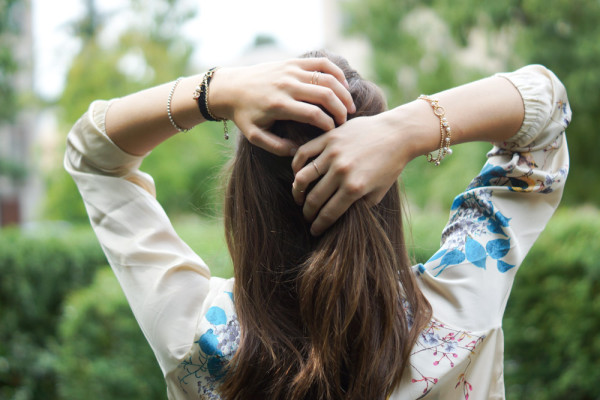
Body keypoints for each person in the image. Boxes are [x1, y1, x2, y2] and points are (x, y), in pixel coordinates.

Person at [65, 50, 570, 399]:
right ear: (384, 190)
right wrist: (410, 127)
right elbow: (546, 111)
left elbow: (93, 157)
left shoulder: (196, 339)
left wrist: (215, 90)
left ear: (247, 201)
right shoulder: (459, 313)